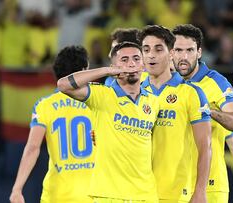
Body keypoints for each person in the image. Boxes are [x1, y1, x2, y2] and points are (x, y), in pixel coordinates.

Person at [57, 42, 160, 202]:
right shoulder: (102, 95)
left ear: (143, 65)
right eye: (124, 60)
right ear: (114, 66)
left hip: (146, 195)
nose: (131, 63)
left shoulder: (154, 101)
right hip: (109, 194)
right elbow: (64, 85)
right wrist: (107, 71)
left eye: (136, 59)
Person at [171, 24, 233, 203]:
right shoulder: (164, 84)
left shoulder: (215, 83)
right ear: (170, 53)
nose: (184, 57)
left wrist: (209, 112)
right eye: (178, 50)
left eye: (190, 50)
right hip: (173, 184)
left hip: (211, 187)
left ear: (199, 52)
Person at [9, 46, 95, 203]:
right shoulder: (100, 100)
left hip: (56, 195)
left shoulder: (44, 105)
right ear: (83, 71)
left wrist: (17, 188)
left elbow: (32, 148)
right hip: (94, 194)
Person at [138, 25, 212, 203]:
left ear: (171, 53)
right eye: (146, 49)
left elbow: (205, 147)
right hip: (138, 191)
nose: (151, 55)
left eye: (158, 49)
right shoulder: (135, 92)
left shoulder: (192, 93)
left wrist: (200, 191)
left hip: (176, 193)